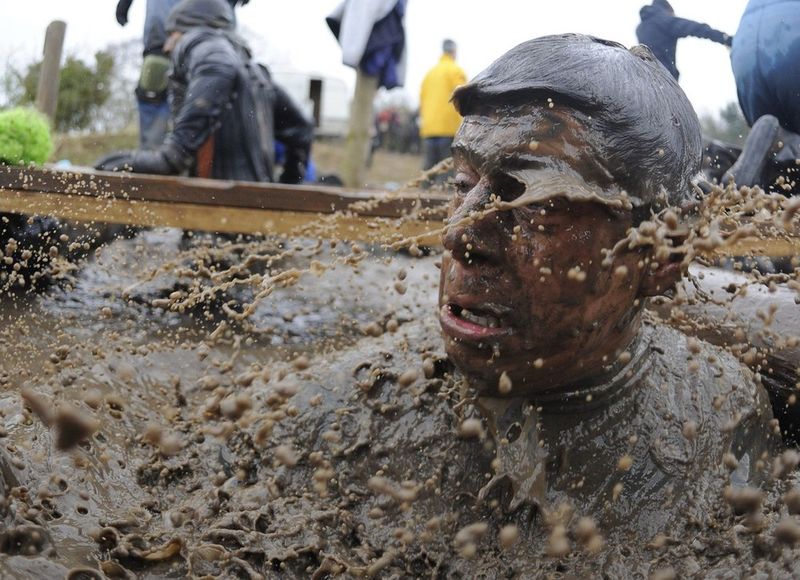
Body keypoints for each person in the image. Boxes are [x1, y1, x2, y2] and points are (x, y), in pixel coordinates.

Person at [2, 34, 782, 578]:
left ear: (658, 259)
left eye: (531, 200)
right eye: (463, 183)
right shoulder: (341, 421)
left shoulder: (725, 408)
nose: (461, 236)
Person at [100, 0, 313, 183]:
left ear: (182, 30)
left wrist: (174, 155)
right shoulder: (256, 73)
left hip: (216, 215)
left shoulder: (201, 42)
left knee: (107, 168)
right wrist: (287, 184)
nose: (167, 47)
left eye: (171, 36)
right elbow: (302, 130)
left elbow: (218, 67)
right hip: (250, 215)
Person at [722, 0, 800, 190]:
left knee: (770, 141)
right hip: (792, 45)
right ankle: (783, 146)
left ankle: (775, 146)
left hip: (745, 54)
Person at [636, 0, 732, 80]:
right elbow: (696, 28)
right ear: (668, 10)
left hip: (644, 76)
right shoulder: (665, 21)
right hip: (664, 77)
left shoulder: (640, 28)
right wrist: (723, 37)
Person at [419, 39, 466, 170]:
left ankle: (423, 189)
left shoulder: (429, 74)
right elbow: (463, 95)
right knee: (447, 169)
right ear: (453, 52)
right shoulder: (455, 70)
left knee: (429, 169)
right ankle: (442, 191)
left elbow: (422, 99)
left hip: (428, 128)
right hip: (448, 127)